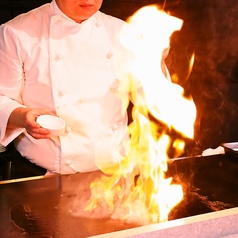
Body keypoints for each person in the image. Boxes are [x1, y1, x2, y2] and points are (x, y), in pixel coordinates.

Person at [0, 0, 170, 175]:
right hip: (44, 175)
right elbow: (2, 98)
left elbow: (153, 100)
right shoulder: (16, 32)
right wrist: (22, 116)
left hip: (115, 172)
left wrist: (156, 62)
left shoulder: (124, 33)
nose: (89, 0)